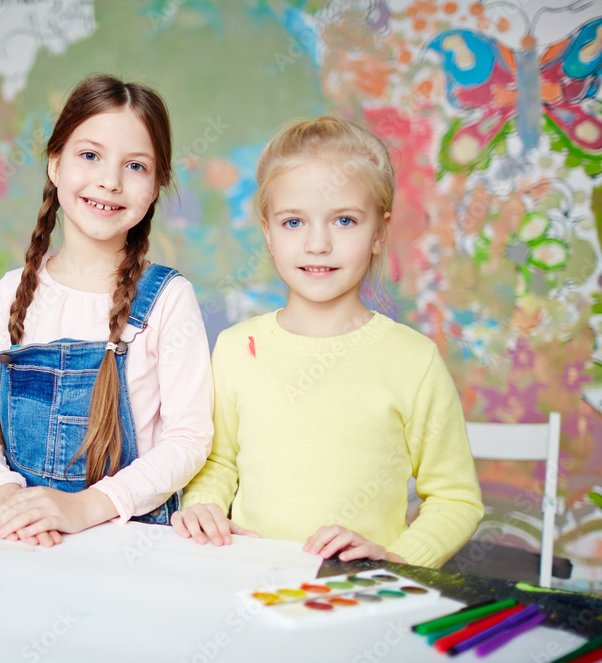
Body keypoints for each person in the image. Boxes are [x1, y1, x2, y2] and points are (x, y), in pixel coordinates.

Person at [171, 117, 483, 569]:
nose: (318, 243)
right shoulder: (236, 348)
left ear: (379, 232)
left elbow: (456, 499)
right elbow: (218, 464)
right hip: (246, 580)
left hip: (360, 593)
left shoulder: (413, 360)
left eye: (344, 220)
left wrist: (396, 559)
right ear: (267, 232)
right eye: (294, 221)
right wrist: (204, 507)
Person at [0, 74, 213, 548]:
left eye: (135, 166)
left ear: (156, 185)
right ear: (55, 163)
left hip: (130, 543)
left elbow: (189, 439)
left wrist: (84, 507)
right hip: (24, 537)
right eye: (89, 155)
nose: (109, 181)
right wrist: (4, 493)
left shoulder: (169, 298)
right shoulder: (13, 292)